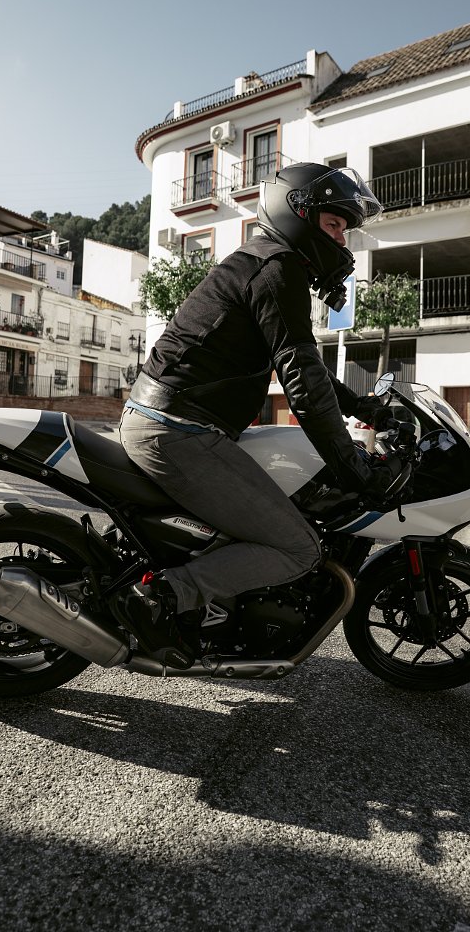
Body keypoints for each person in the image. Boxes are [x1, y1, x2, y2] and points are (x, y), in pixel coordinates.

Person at [115, 163, 396, 669]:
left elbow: (299, 363)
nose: (342, 242)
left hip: (170, 422)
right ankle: (163, 595)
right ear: (299, 216)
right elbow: (304, 384)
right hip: (178, 430)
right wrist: (351, 466)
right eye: (334, 225)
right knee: (297, 549)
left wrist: (360, 406)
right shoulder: (277, 268)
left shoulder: (265, 263)